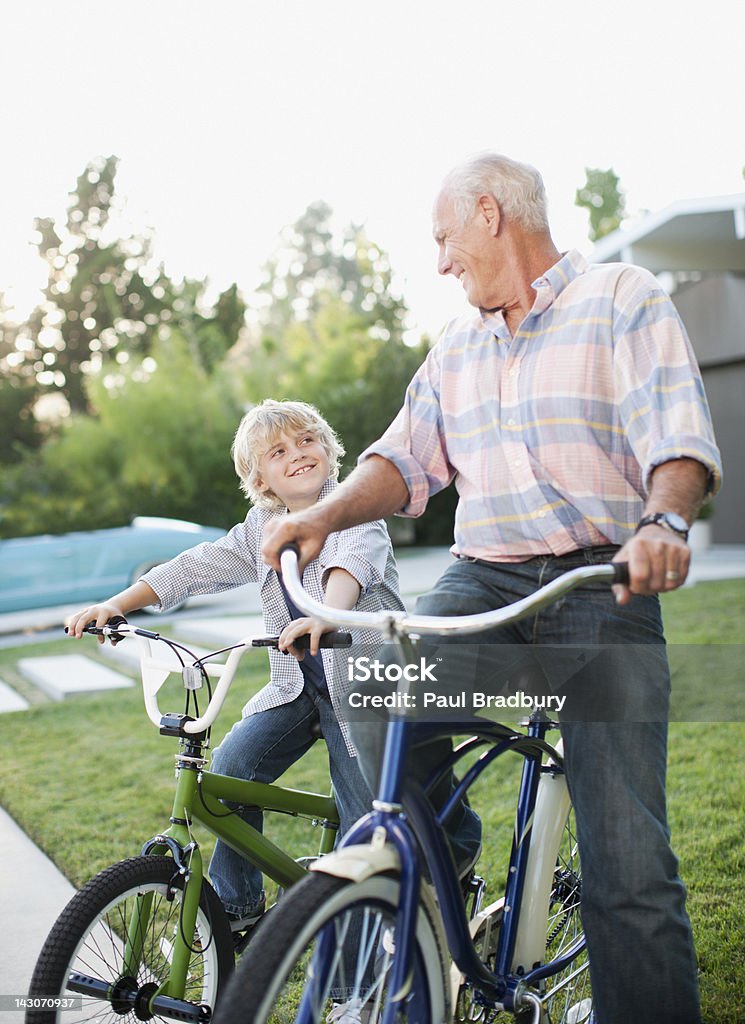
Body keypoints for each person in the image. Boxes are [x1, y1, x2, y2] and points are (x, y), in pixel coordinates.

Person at [261, 154, 722, 1024]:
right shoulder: (455, 346)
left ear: (488, 214)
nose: (440, 262)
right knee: (372, 688)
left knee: (627, 865)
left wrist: (662, 523)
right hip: (482, 579)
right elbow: (399, 462)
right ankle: (441, 870)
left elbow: (678, 438)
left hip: (600, 584)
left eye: (443, 239)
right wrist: (321, 514)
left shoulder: (619, 299)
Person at [67, 398, 404, 936]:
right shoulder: (261, 527)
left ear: (328, 449)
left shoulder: (352, 507)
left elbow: (352, 563)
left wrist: (323, 613)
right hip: (297, 687)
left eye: (307, 441)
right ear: (260, 477)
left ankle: (351, 989)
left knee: (361, 833)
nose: (298, 454)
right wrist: (118, 604)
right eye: (278, 451)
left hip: (362, 689)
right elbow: (196, 568)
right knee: (226, 772)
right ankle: (237, 905)